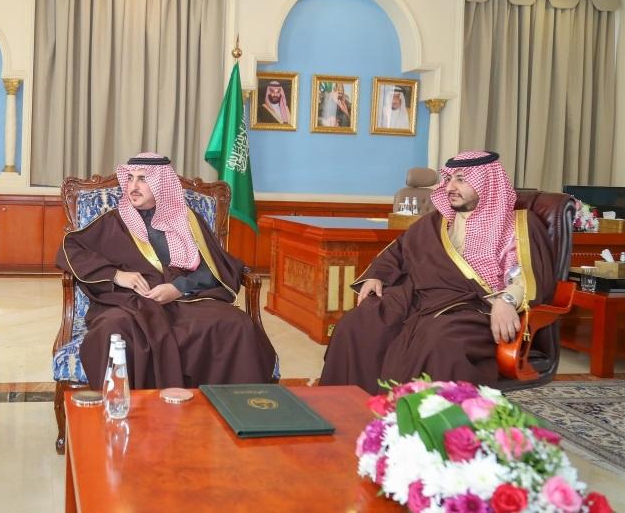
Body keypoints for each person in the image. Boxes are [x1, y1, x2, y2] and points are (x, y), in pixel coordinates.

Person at [319, 151, 555, 394]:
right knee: (359, 323)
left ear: (486, 183)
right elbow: (399, 250)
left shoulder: (517, 225)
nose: (450, 187)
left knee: (437, 339)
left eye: (461, 179)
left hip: (475, 307)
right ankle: (345, 402)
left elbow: (525, 274)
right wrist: (377, 275)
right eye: (449, 179)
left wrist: (507, 301)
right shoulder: (435, 222)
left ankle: (412, 412)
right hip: (419, 297)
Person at [56, 153, 277, 389]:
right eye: (130, 178)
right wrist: (116, 275)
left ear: (162, 183)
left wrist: (178, 288)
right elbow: (70, 248)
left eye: (142, 179)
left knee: (237, 324)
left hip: (187, 302)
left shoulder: (188, 220)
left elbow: (215, 266)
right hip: (131, 303)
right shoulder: (114, 221)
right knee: (113, 332)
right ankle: (132, 408)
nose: (133, 186)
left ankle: (220, 407)